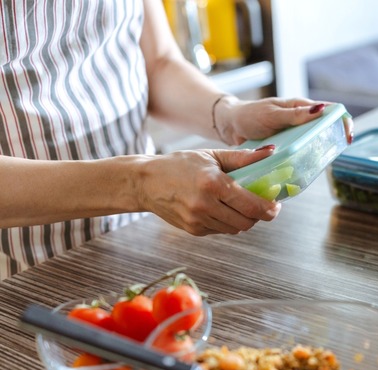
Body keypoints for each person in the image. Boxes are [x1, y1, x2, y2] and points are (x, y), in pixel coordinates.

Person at [0, 0, 329, 280]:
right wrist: (138, 184)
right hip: (26, 268)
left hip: (137, 237)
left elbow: (156, 63)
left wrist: (231, 115)